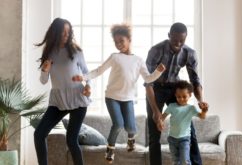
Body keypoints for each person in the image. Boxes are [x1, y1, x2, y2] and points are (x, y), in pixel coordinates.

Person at [72, 23, 166, 164]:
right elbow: (98, 70)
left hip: (127, 99)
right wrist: (83, 77)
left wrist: (158, 71)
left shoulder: (138, 60)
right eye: (116, 42)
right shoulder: (114, 57)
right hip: (112, 97)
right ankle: (110, 149)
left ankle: (131, 138)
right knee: (118, 124)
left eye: (121, 41)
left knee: (130, 127)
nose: (119, 44)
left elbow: (148, 78)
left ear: (129, 39)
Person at [145, 22, 209, 165]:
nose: (178, 43)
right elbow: (147, 82)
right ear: (169, 36)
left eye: (182, 41)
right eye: (175, 40)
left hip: (174, 88)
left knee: (189, 130)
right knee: (154, 133)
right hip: (155, 88)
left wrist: (200, 100)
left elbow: (195, 81)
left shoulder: (189, 53)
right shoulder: (156, 50)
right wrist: (156, 111)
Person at [34, 17, 91, 165]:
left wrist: (88, 86)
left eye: (68, 32)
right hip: (58, 101)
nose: (66, 35)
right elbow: (43, 81)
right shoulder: (49, 52)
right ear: (55, 32)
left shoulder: (76, 50)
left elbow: (87, 73)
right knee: (39, 134)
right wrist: (45, 70)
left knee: (71, 140)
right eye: (63, 32)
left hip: (78, 99)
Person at [159, 80, 208, 165]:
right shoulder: (172, 106)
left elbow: (202, 117)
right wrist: (160, 122)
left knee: (185, 161)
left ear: (190, 95)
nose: (181, 99)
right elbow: (162, 117)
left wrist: (204, 111)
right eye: (178, 96)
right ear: (175, 95)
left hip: (185, 139)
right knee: (175, 161)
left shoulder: (191, 108)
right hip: (172, 139)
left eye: (184, 96)